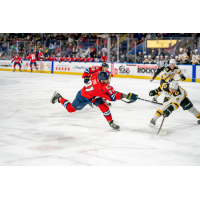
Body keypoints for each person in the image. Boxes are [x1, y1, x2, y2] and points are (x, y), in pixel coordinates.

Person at [51, 71, 138, 130]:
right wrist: (127, 96)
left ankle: (110, 122)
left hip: (94, 96)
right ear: (101, 80)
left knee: (104, 107)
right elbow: (113, 96)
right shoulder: (102, 87)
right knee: (70, 109)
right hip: (83, 97)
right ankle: (59, 97)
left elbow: (88, 72)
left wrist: (85, 78)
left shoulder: (97, 74)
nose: (108, 81)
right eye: (107, 79)